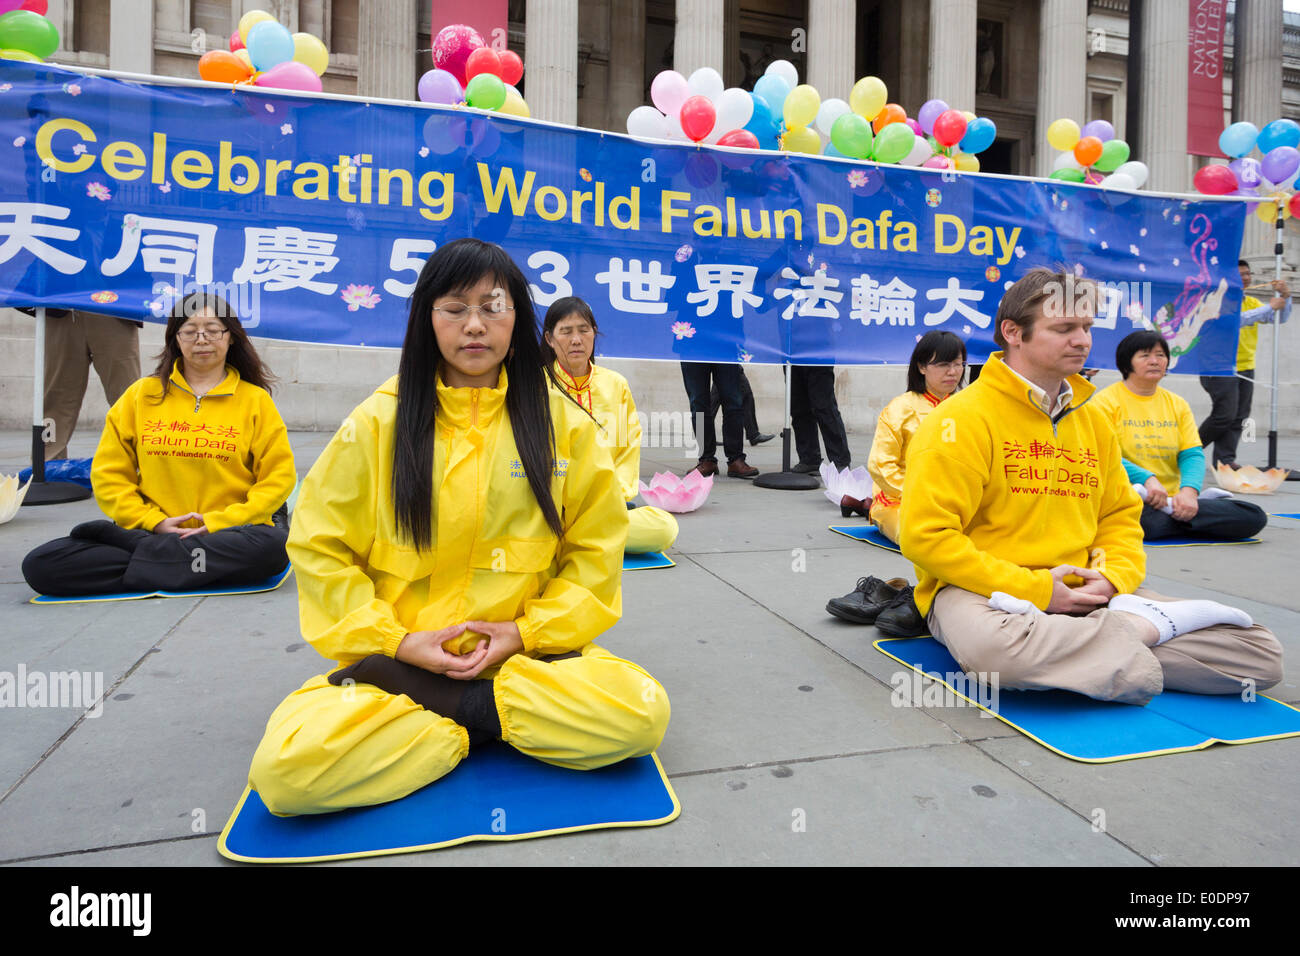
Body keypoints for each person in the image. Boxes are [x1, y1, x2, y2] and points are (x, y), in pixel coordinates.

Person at [248, 239, 670, 815]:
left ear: (517, 319)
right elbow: (318, 545)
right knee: (287, 775)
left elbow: (594, 554)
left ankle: (459, 715)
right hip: (401, 669)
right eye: (454, 308)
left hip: (530, 663)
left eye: (492, 307)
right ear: (428, 319)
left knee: (641, 716)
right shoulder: (378, 421)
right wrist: (396, 642)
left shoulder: (563, 426)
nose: (474, 325)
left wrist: (526, 633)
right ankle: (490, 721)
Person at [896, 268, 1281, 705]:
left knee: (1260, 655)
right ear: (1013, 333)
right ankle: (1139, 632)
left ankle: (1098, 644)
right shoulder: (958, 419)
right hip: (985, 594)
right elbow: (926, 538)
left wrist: (1112, 580)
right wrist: (1038, 590)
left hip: (1086, 590)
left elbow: (1119, 517)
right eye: (1064, 328)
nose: (1082, 341)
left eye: (1086, 328)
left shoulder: (1093, 420)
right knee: (998, 654)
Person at [21, 293, 295, 596]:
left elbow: (277, 478)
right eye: (190, 331)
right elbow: (109, 476)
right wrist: (153, 522)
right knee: (42, 563)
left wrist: (220, 522)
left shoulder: (255, 400)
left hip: (227, 533)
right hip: (152, 531)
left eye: (213, 330)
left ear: (231, 338)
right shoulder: (141, 395)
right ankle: (186, 567)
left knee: (272, 549)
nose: (201, 339)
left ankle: (150, 564)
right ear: (175, 339)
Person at [824, 332, 965, 629]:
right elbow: (881, 465)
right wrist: (924, 497)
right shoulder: (901, 408)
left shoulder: (970, 407)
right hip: (902, 501)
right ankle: (920, 600)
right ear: (922, 367)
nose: (952, 372)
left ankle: (899, 593)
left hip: (958, 501)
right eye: (942, 365)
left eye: (958, 364)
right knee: (929, 539)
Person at [1093, 330, 1267, 541]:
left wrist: (1189, 492)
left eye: (1160, 355)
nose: (1155, 361)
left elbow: (1191, 454)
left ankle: (1179, 513)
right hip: (1129, 496)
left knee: (1254, 516)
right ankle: (1188, 519)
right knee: (1148, 521)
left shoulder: (1177, 404)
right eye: (1145, 356)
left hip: (1173, 499)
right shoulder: (1104, 403)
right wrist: (1147, 479)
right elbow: (1103, 455)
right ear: (1127, 362)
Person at [542, 296, 679, 554]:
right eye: (566, 331)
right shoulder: (537, 385)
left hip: (605, 505)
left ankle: (576, 538)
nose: (576, 340)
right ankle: (582, 535)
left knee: (664, 528)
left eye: (584, 330)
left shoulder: (615, 384)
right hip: (552, 506)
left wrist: (612, 498)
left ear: (594, 334)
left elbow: (626, 448)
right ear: (549, 339)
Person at [1198, 259, 1291, 469]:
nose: (1246, 278)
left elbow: (1279, 318)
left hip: (1245, 365)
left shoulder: (1251, 302)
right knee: (1224, 415)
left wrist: (1286, 296)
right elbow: (1235, 321)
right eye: (1240, 275)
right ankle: (1187, 451)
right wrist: (1270, 305)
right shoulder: (1218, 301)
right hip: (1219, 367)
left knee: (1239, 416)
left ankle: (1225, 461)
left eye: (1247, 274)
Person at [26, 307, 142, 460]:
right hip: (61, 305)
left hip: (114, 305)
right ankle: (46, 465)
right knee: (55, 398)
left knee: (127, 397)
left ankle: (139, 460)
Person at [681, 361, 759, 478]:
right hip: (692, 347)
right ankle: (706, 459)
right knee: (698, 405)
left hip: (725, 346)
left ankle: (736, 459)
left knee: (733, 402)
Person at [788, 365, 852, 474]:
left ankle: (840, 461)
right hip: (792, 357)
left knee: (825, 408)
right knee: (798, 408)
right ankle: (809, 459)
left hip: (817, 357)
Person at [710, 368, 773, 447]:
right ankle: (753, 434)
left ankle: (702, 436)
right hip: (725, 362)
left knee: (711, 400)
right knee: (745, 394)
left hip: (725, 362)